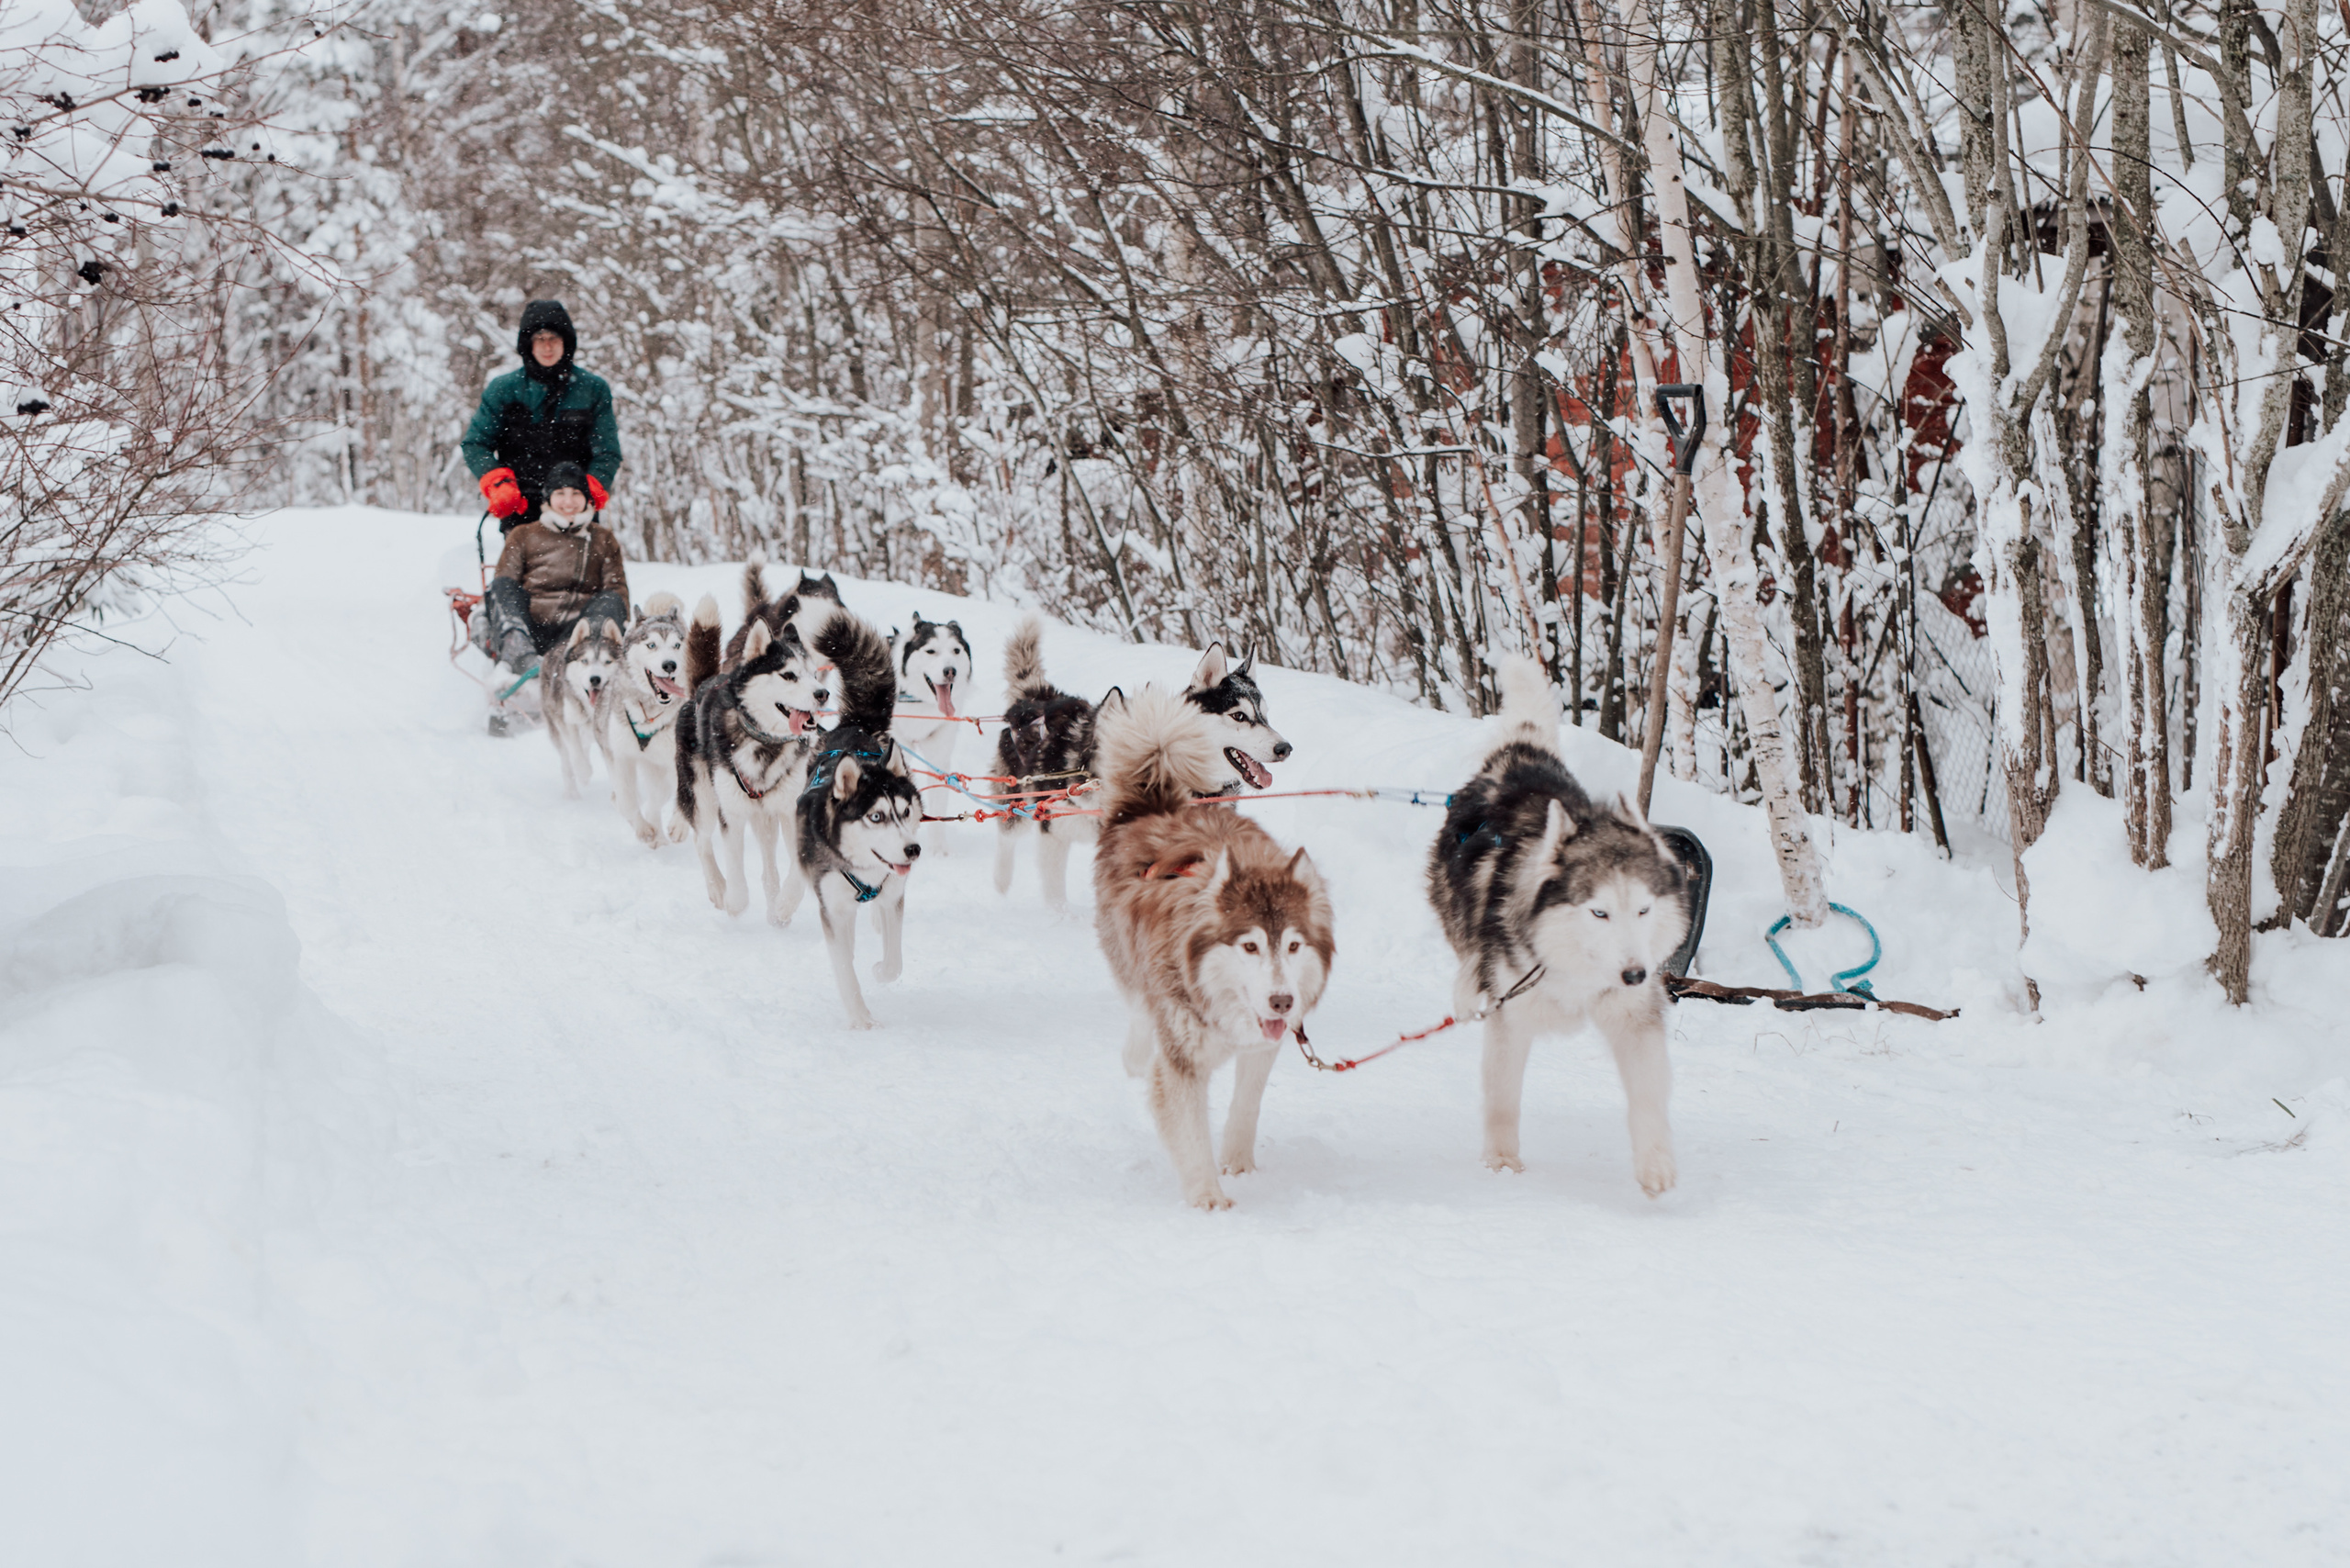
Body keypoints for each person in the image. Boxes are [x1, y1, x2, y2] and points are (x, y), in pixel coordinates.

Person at [463, 298, 622, 531]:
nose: (547, 347)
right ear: (528, 344)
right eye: (540, 339)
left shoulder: (592, 389)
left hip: (574, 508)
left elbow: (607, 451)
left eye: (554, 339)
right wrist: (497, 482)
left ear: (566, 342)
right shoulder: (503, 390)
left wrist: (593, 485)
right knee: (524, 565)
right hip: (521, 506)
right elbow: (475, 444)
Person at [480, 462, 630, 676]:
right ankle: (519, 658)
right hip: (530, 629)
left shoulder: (602, 538)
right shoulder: (523, 535)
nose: (568, 502)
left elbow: (617, 592)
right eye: (560, 493)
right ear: (548, 498)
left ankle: (578, 661)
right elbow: (505, 584)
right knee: (502, 586)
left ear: (587, 498)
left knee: (612, 600)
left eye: (576, 493)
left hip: (578, 634)